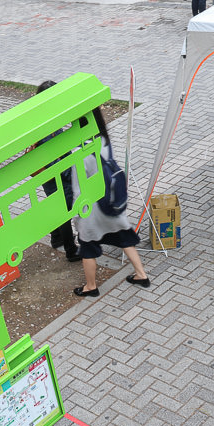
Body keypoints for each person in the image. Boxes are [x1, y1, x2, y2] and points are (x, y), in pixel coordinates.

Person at [72, 108, 150, 297]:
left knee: (88, 248)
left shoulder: (80, 152)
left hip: (93, 211)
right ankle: (141, 275)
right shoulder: (104, 141)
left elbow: (78, 189)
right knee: (124, 239)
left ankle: (91, 287)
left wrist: (77, 216)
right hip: (112, 205)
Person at [33, 80, 79, 262]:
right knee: (64, 209)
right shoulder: (46, 123)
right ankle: (71, 250)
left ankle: (56, 237)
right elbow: (50, 154)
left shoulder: (42, 116)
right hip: (57, 174)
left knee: (57, 206)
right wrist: (67, 172)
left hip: (51, 174)